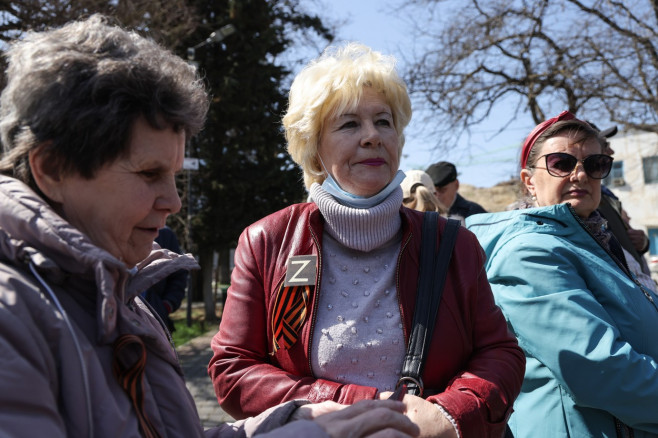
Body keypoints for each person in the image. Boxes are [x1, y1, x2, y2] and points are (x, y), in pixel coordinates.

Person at [0, 16, 420, 438]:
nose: (174, 201)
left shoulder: (116, 291)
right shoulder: (12, 313)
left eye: (383, 121)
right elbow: (234, 366)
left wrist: (296, 422)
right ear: (53, 168)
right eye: (149, 173)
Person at [209, 42, 525, 438]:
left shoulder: (454, 244)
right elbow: (233, 368)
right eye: (349, 124)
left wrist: (450, 415)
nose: (373, 136)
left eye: (384, 121)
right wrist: (357, 406)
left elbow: (501, 353)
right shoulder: (267, 241)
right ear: (313, 148)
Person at [466, 110, 658, 437]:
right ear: (529, 181)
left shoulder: (599, 241)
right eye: (561, 163)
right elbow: (602, 369)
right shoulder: (529, 252)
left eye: (595, 164)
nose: (580, 175)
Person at [589, 121, 652, 276]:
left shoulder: (605, 194)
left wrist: (642, 243)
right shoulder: (582, 199)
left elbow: (621, 237)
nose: (611, 151)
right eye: (604, 145)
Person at [142, 226, 189, 332]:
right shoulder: (111, 228)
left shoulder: (164, 234)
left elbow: (178, 274)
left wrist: (167, 305)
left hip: (156, 320)